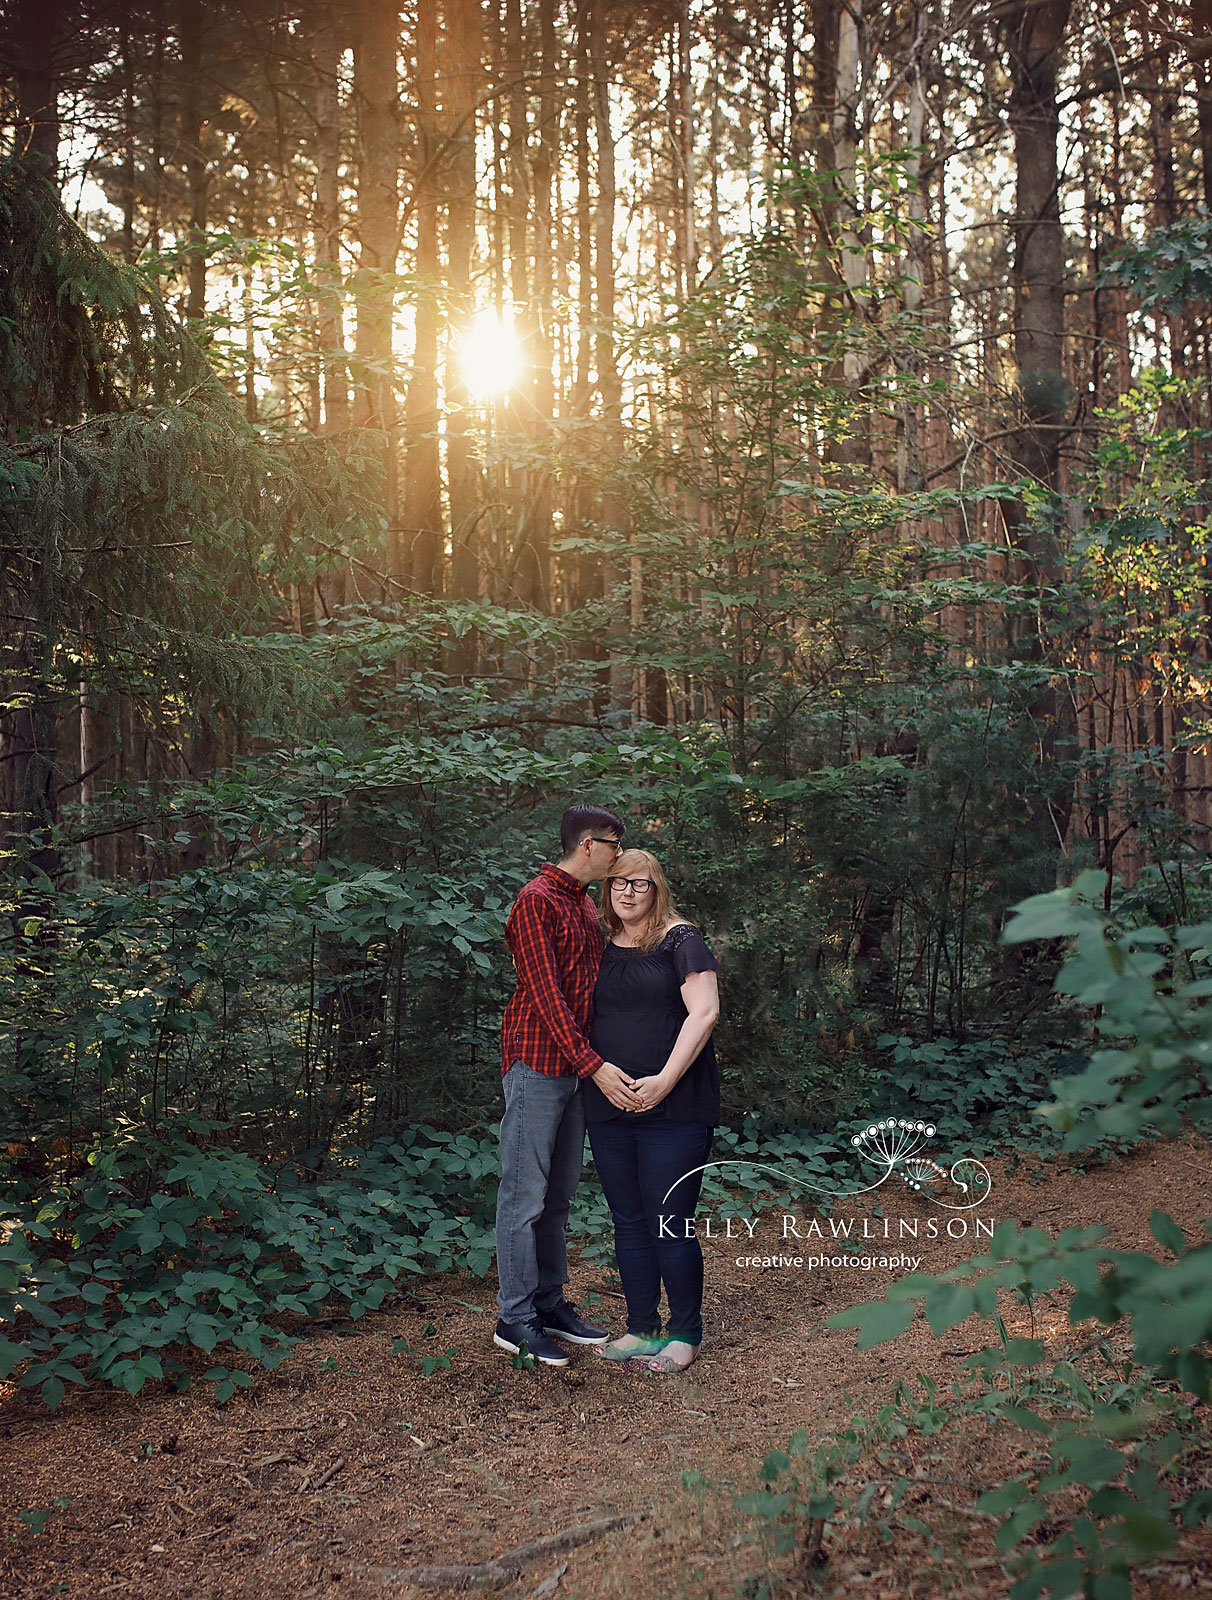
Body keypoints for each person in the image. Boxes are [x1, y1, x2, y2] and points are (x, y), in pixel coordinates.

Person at [494, 804, 644, 1367]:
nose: (618, 854)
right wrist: (594, 1066)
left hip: (576, 1069)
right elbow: (544, 996)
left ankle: (549, 1303)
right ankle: (515, 1318)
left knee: (557, 1198)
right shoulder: (536, 900)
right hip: (537, 1065)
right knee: (524, 1196)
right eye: (613, 845)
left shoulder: (582, 903)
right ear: (587, 845)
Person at [581, 848, 720, 1373]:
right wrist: (597, 1071)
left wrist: (664, 1079)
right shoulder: (599, 944)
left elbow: (704, 1013)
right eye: (618, 883)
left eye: (638, 883)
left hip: (675, 1104)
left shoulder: (680, 940)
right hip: (610, 1100)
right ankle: (641, 1328)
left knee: (670, 1221)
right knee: (629, 1221)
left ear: (656, 888)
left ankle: (685, 1332)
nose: (627, 892)